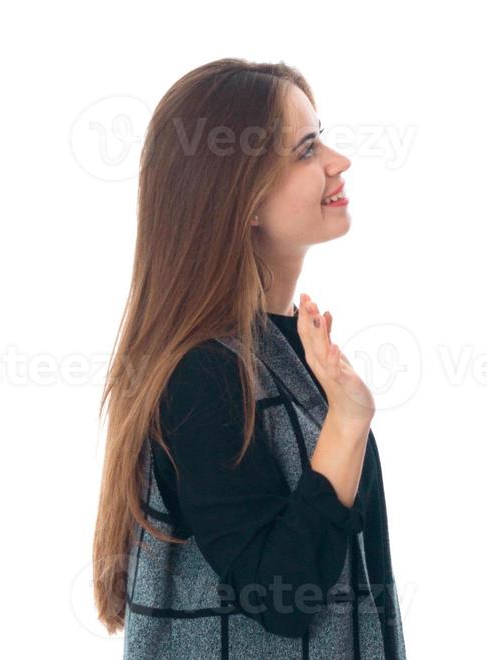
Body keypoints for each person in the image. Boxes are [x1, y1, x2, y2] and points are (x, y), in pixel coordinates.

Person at [91, 59, 405, 659]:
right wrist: (346, 422)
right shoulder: (203, 371)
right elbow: (282, 596)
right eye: (307, 149)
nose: (338, 161)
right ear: (243, 197)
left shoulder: (279, 351)